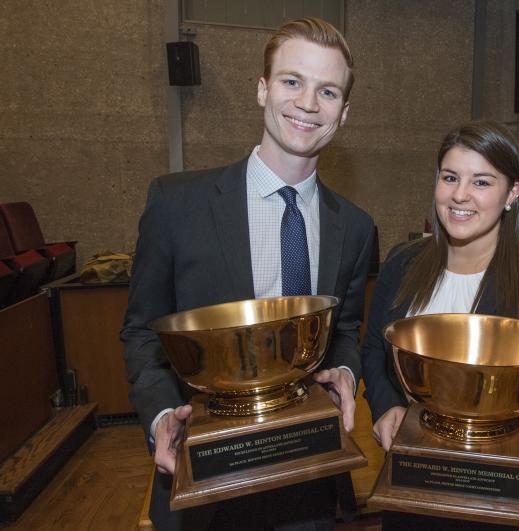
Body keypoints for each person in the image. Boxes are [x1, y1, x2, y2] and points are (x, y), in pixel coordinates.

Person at [121, 17, 374, 531]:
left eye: (327, 91)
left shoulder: (357, 227)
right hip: (206, 481)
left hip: (311, 482)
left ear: (343, 112)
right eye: (291, 81)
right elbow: (141, 332)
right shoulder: (176, 204)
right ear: (262, 89)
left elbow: (344, 330)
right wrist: (160, 414)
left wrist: (345, 373)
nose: (307, 103)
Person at [361, 121, 519, 522]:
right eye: (450, 178)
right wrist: (385, 406)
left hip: (497, 481)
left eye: (482, 182)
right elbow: (375, 349)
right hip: (415, 469)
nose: (460, 195)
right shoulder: (401, 263)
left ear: (512, 193)